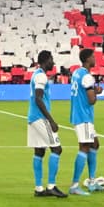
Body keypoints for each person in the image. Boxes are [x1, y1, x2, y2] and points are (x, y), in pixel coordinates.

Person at [28, 50, 67, 198]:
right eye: (51, 59)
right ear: (45, 61)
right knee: (57, 149)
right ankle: (51, 186)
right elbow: (38, 98)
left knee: (39, 151)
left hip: (33, 117)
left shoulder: (36, 74)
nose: (53, 62)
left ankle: (39, 188)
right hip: (40, 118)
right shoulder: (41, 76)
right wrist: (51, 120)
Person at [69, 48, 104, 195]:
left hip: (79, 114)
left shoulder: (77, 73)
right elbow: (91, 101)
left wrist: (94, 91)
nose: (95, 59)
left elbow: (83, 92)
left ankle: (91, 181)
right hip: (83, 116)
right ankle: (74, 185)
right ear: (87, 59)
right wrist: (96, 95)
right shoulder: (87, 77)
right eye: (93, 57)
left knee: (95, 144)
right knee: (84, 147)